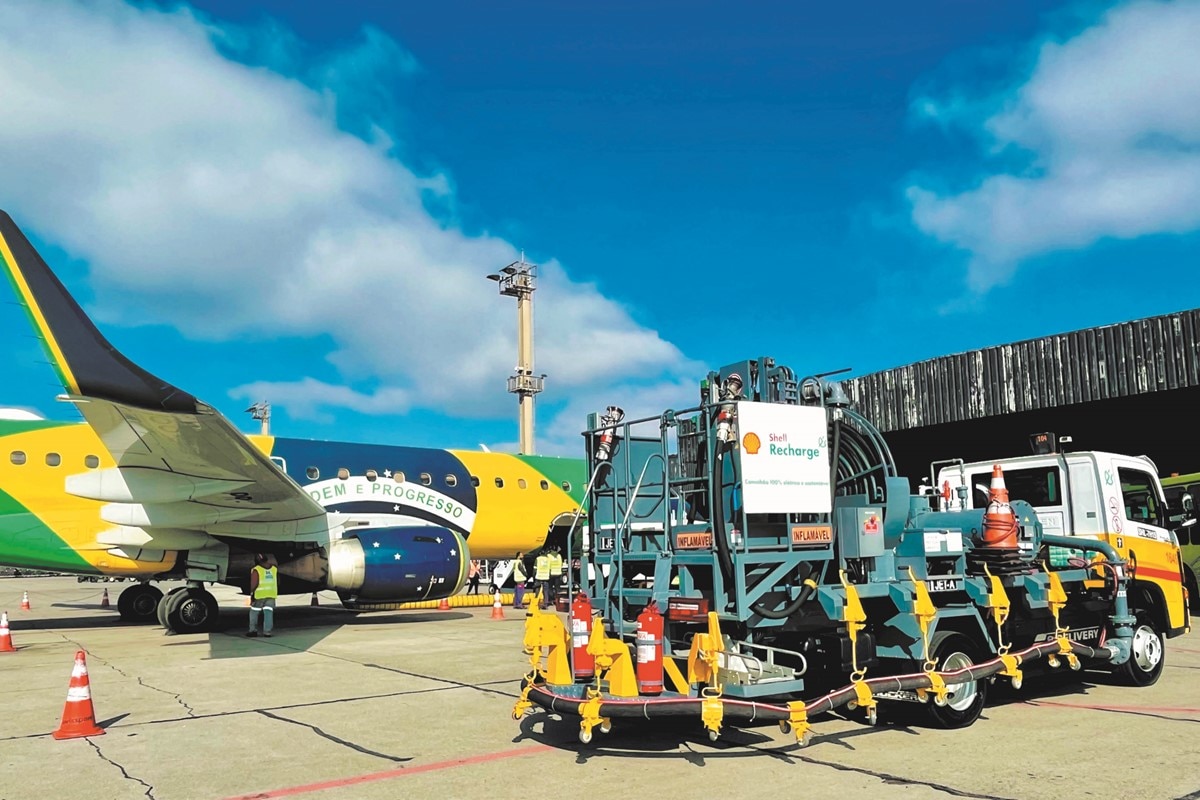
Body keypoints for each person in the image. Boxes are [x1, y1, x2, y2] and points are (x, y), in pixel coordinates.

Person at [247, 553, 278, 638]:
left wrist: (251, 593)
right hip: (271, 594)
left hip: (259, 595)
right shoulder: (274, 568)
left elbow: (254, 583)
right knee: (268, 613)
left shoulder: (256, 569)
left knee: (254, 612)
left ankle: (253, 631)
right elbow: (278, 581)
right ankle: (267, 632)